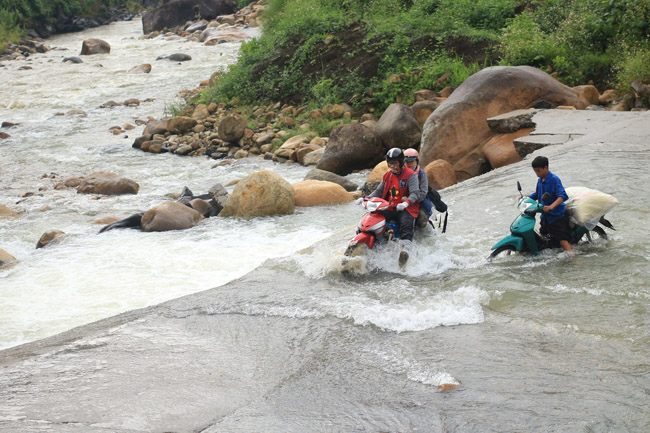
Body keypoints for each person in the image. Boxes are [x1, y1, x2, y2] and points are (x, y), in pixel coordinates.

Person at [366, 147, 420, 266]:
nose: (393, 167)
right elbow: (379, 192)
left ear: (401, 162)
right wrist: (366, 198)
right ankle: (372, 240)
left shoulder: (411, 175)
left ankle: (405, 249)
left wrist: (406, 203)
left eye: (395, 164)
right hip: (390, 206)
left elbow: (415, 193)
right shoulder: (387, 176)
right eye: (390, 164)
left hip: (406, 208)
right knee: (374, 216)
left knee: (406, 222)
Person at [529, 156, 573, 252]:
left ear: (545, 167)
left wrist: (551, 207)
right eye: (535, 171)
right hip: (545, 217)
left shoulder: (554, 179)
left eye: (538, 171)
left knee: (563, 242)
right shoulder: (540, 180)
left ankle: (575, 261)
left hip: (557, 216)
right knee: (543, 237)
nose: (537, 173)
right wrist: (526, 198)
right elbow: (537, 194)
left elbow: (563, 195)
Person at [404, 148, 433, 228]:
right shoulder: (401, 172)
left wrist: (410, 200)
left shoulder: (422, 174)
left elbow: (423, 193)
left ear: (416, 161)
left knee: (422, 222)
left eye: (411, 161)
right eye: (407, 161)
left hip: (419, 202)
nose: (409, 164)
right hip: (402, 200)